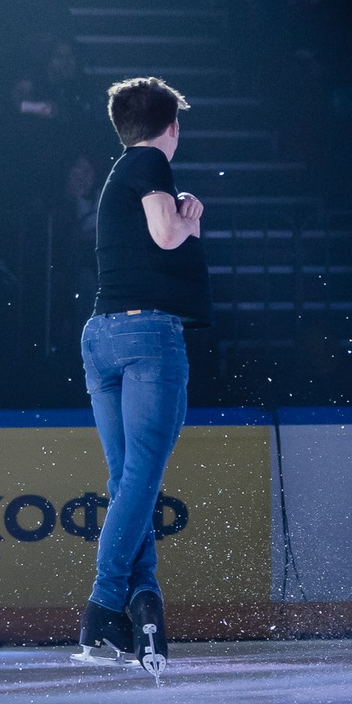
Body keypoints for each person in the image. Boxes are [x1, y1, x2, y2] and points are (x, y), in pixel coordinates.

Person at [75, 76, 207, 673]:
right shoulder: (151, 163)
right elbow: (164, 234)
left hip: (102, 336)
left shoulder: (117, 175)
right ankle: (103, 606)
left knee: (130, 482)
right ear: (170, 127)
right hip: (148, 338)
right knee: (139, 480)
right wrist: (187, 217)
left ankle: (143, 603)